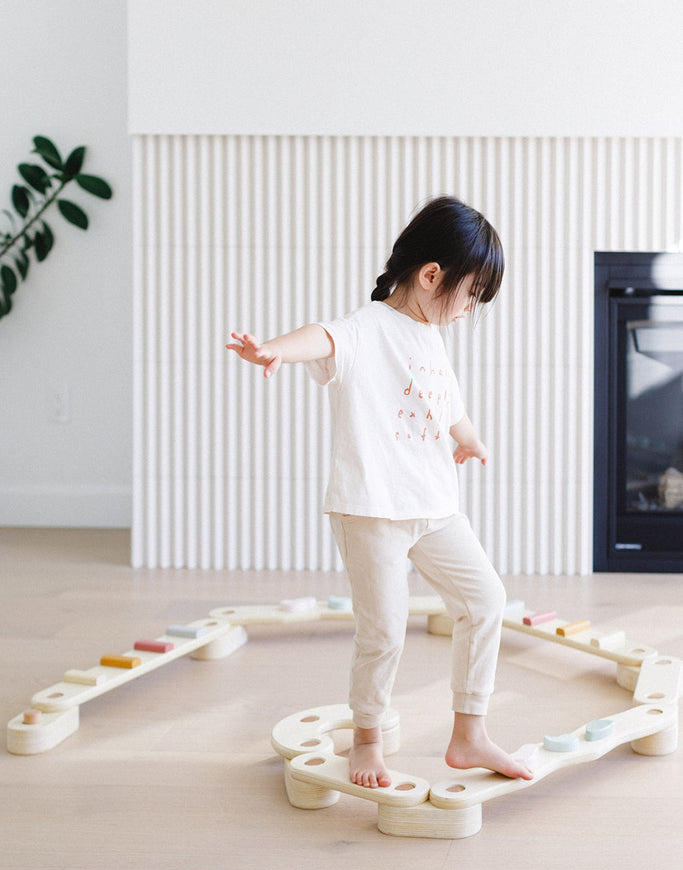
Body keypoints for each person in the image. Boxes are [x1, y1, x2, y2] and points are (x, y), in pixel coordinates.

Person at [226, 195, 534, 789]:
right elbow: (320, 338)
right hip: (371, 510)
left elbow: (448, 408)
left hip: (435, 507)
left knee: (485, 600)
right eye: (470, 295)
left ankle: (469, 733)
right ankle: (366, 740)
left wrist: (470, 440)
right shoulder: (367, 329)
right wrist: (272, 351)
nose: (468, 310)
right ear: (429, 276)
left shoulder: (431, 338)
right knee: (384, 629)